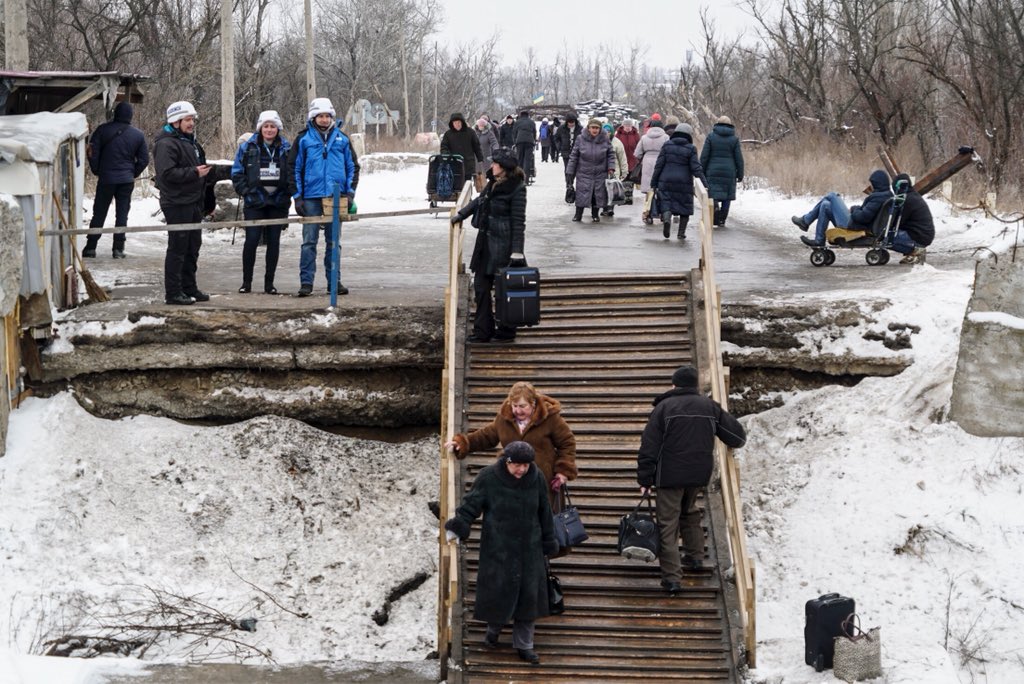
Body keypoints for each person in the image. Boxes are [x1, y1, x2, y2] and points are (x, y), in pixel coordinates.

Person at [444, 441, 559, 665]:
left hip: (530, 547)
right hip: (499, 547)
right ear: (506, 461)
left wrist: (548, 539)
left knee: (528, 599)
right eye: (517, 465)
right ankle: (493, 631)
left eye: (526, 465)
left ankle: (525, 646)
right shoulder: (489, 477)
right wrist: (459, 525)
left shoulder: (536, 477)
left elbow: (544, 510)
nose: (522, 470)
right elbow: (471, 504)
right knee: (499, 594)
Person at [636, 366, 746, 595]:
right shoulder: (709, 407)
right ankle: (695, 558)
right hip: (698, 474)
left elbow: (649, 446)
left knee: (667, 525)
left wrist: (645, 478)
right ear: (695, 385)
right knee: (690, 511)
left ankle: (672, 579)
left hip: (669, 476)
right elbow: (737, 437)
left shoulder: (664, 408)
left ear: (674, 384)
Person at [444, 380, 578, 507]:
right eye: (515, 406)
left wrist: (563, 471)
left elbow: (567, 443)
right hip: (512, 481)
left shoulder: (550, 418)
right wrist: (462, 443)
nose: (518, 411)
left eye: (522, 406)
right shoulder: (503, 419)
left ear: (533, 404)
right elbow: (486, 436)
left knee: (543, 524)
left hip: (543, 482)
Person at [450, 150, 527, 343]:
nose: (491, 167)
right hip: (485, 243)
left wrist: (517, 250)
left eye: (495, 164)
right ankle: (483, 331)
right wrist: (461, 214)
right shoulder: (493, 183)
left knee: (503, 289)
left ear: (504, 168)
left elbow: (519, 221)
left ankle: (506, 331)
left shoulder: (517, 187)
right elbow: (478, 201)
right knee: (481, 287)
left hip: (504, 245)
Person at [291, 97, 357, 297]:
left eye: (327, 116)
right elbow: (294, 168)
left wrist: (350, 193)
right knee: (309, 241)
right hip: (310, 198)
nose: (324, 119)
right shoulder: (303, 139)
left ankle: (334, 282)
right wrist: (297, 197)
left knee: (333, 242)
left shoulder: (342, 139)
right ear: (314, 117)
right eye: (320, 116)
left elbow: (353, 167)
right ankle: (306, 283)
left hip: (335, 197)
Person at [154, 100, 215, 306]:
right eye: (187, 119)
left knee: (192, 247)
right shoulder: (166, 144)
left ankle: (189, 286)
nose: (191, 123)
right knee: (178, 248)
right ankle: (173, 292)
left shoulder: (191, 142)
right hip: (177, 202)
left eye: (192, 119)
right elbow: (167, 174)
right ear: (176, 121)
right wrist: (195, 172)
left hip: (193, 201)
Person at [231, 109, 292, 295]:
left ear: (278, 128)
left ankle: (269, 284)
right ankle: (246, 282)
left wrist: (288, 192)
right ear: (260, 128)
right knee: (251, 241)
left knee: (274, 242)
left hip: (278, 201)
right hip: (254, 201)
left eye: (272, 126)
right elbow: (236, 173)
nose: (269, 130)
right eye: (265, 126)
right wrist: (245, 191)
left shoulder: (287, 148)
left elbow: (293, 172)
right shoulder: (247, 147)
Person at [83, 102, 149, 260]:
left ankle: (91, 248)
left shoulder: (102, 130)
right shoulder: (138, 135)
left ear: (115, 113)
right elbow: (144, 159)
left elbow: (92, 152)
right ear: (130, 115)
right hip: (126, 180)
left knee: (99, 213)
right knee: (122, 215)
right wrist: (132, 173)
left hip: (106, 179)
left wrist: (97, 169)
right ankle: (118, 249)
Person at [791, 169, 891, 248]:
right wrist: (855, 208)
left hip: (854, 225)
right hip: (857, 223)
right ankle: (818, 240)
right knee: (825, 205)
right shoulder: (883, 195)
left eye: (873, 183)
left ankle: (806, 221)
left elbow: (863, 217)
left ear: (877, 183)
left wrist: (854, 210)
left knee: (832, 195)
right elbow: (867, 212)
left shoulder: (878, 197)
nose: (871, 186)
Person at [650, 123, 708, 240]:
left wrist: (654, 182)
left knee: (666, 202)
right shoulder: (691, 148)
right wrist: (704, 183)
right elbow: (696, 168)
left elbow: (659, 165)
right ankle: (681, 233)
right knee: (684, 207)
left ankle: (667, 219)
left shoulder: (666, 145)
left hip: (666, 179)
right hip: (684, 181)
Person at [566, 119, 615, 223]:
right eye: (593, 127)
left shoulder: (605, 139)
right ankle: (578, 214)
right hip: (584, 171)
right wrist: (570, 170)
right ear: (588, 128)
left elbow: (611, 154)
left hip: (600, 172)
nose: (595, 130)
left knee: (597, 194)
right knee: (581, 194)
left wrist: (611, 168)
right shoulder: (580, 139)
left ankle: (595, 214)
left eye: (597, 128)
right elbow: (574, 155)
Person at [700, 115, 744, 227]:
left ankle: (714, 207)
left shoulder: (711, 137)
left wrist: (701, 171)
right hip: (729, 171)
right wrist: (740, 174)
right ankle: (722, 219)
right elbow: (739, 158)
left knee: (713, 193)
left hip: (712, 170)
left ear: (717, 124)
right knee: (727, 195)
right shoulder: (734, 139)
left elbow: (704, 156)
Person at [889, 173, 934, 264]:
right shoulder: (913, 195)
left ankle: (915, 251)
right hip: (924, 234)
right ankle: (914, 251)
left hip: (919, 236)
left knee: (887, 238)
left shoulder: (908, 200)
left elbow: (899, 222)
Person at [633, 119, 668, 225]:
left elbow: (637, 153)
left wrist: (644, 157)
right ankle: (661, 212)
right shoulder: (666, 137)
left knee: (649, 191)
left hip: (647, 163)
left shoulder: (644, 138)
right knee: (660, 189)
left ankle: (647, 213)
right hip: (661, 162)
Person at [440, 112, 484, 193]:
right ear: (452, 124)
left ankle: (467, 197)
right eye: (455, 123)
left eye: (459, 122)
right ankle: (457, 196)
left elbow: (476, 146)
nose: (457, 124)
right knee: (456, 181)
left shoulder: (470, 132)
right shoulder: (448, 134)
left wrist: (480, 158)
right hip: (454, 163)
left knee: (467, 182)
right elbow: (444, 146)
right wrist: (446, 154)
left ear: (462, 122)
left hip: (468, 163)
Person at [600, 122, 628, 217]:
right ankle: (604, 208)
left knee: (612, 190)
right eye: (605, 131)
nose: (607, 133)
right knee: (603, 190)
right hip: (601, 170)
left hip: (614, 170)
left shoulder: (617, 143)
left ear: (612, 132)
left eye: (608, 131)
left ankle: (610, 208)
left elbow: (622, 158)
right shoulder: (598, 141)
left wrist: (624, 171)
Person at [512, 110, 537, 183]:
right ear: (528, 115)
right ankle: (526, 180)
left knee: (520, 160)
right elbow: (534, 132)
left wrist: (515, 141)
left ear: (521, 115)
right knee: (527, 161)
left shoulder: (517, 122)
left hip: (520, 142)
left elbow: (514, 133)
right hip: (529, 142)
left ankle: (519, 179)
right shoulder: (531, 122)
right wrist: (534, 140)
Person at [474, 117, 500, 183]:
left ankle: (488, 185)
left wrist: (496, 149)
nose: (481, 127)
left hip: (486, 155)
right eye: (479, 126)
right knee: (478, 173)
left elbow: (494, 142)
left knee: (487, 172)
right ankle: (479, 186)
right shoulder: (474, 133)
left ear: (485, 126)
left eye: (482, 126)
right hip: (476, 156)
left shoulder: (489, 133)